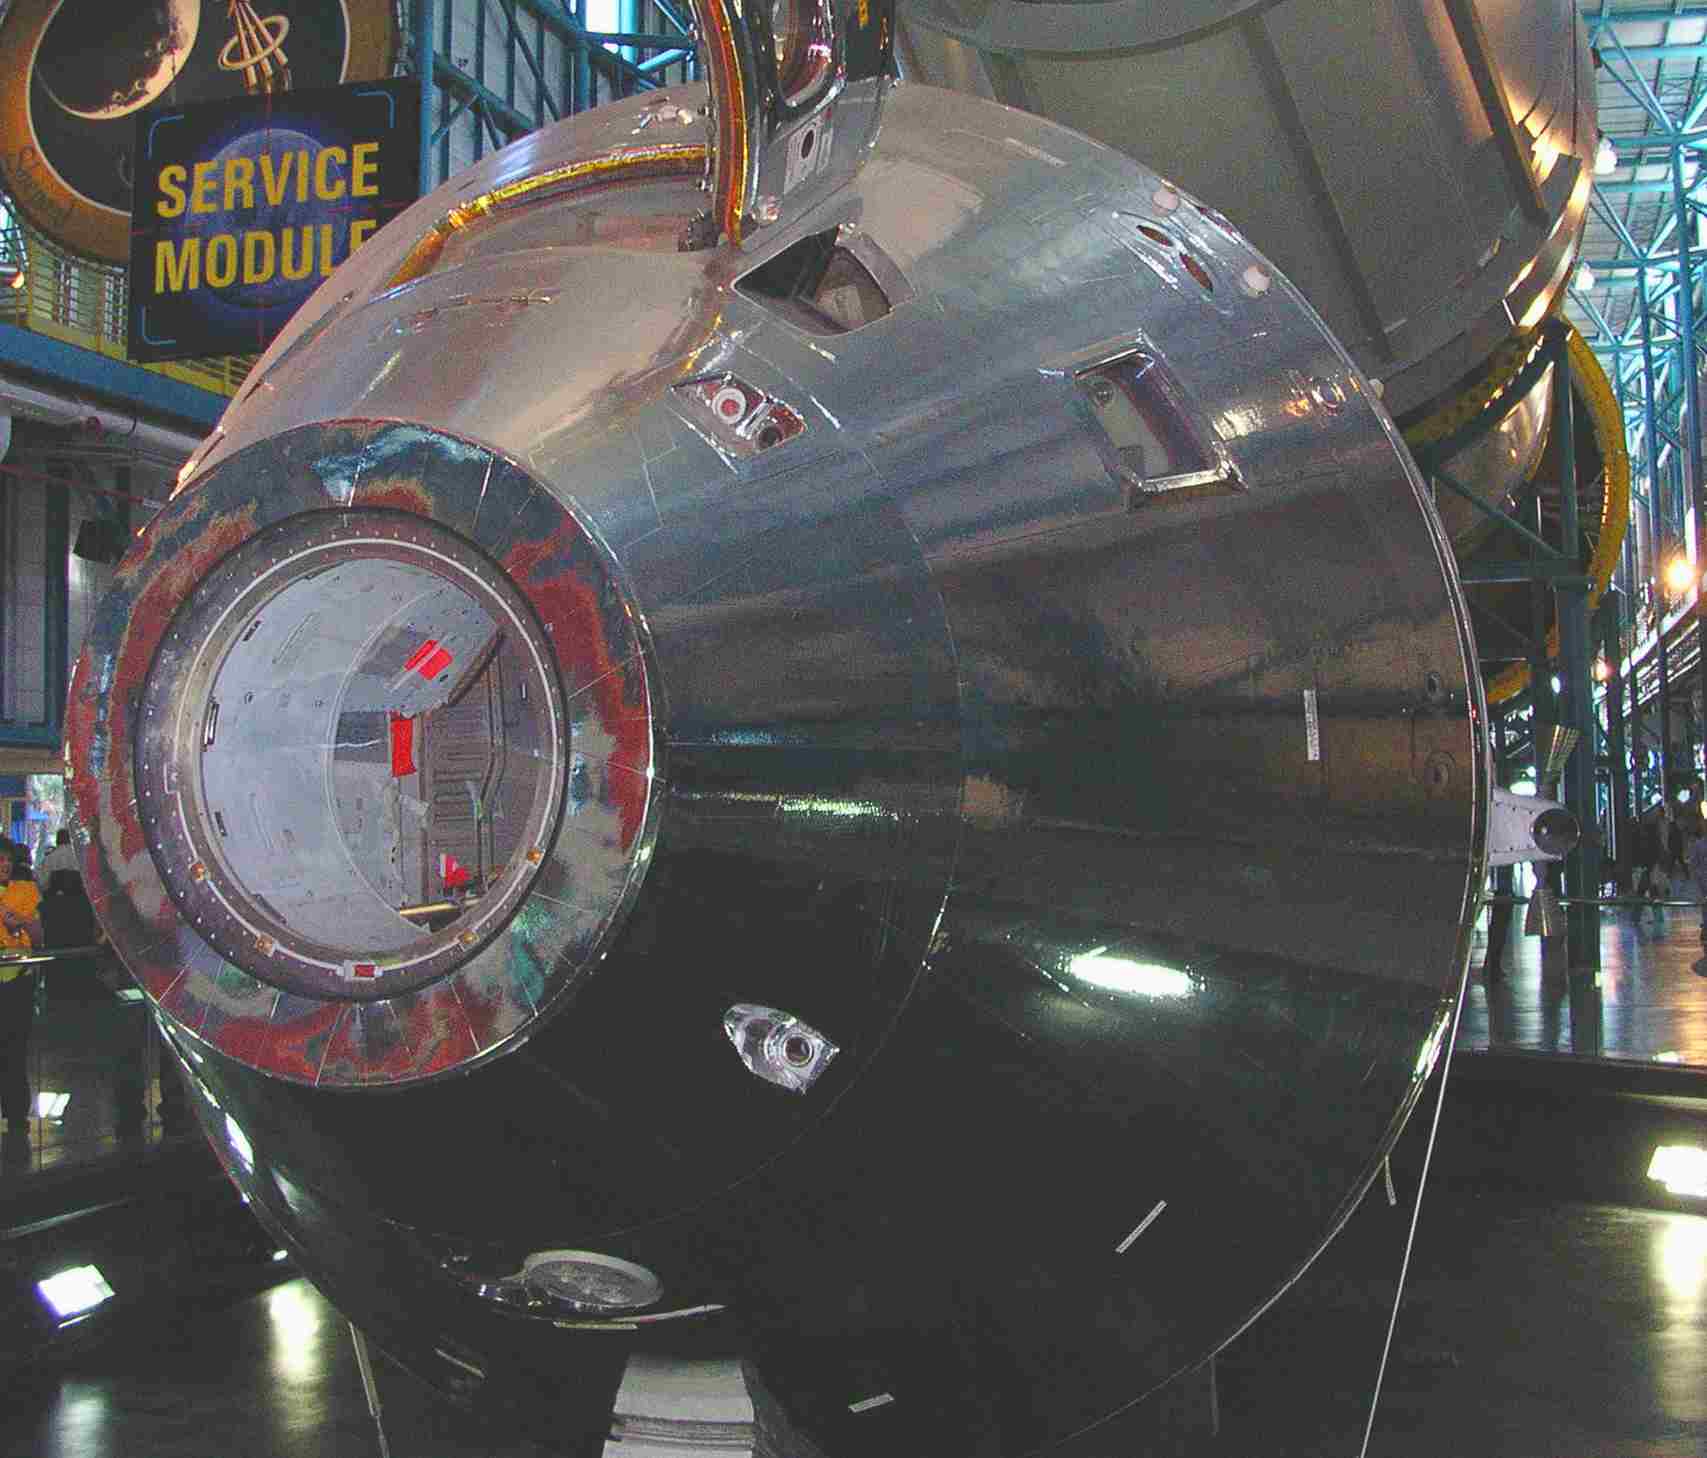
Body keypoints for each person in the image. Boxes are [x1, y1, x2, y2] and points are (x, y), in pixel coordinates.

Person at [0, 839, 44, 1160]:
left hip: (18, 983)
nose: (4, 865)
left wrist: (21, 921)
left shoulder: (26, 891)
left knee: (15, 1051)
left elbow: (40, 937)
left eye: (7, 860)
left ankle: (16, 1117)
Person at [1690, 822, 1707, 946]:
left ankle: (1705, 927)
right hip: (1703, 880)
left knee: (1704, 906)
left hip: (1702, 879)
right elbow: (1694, 864)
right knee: (1704, 905)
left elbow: (1694, 864)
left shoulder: (1698, 844)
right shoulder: (1699, 844)